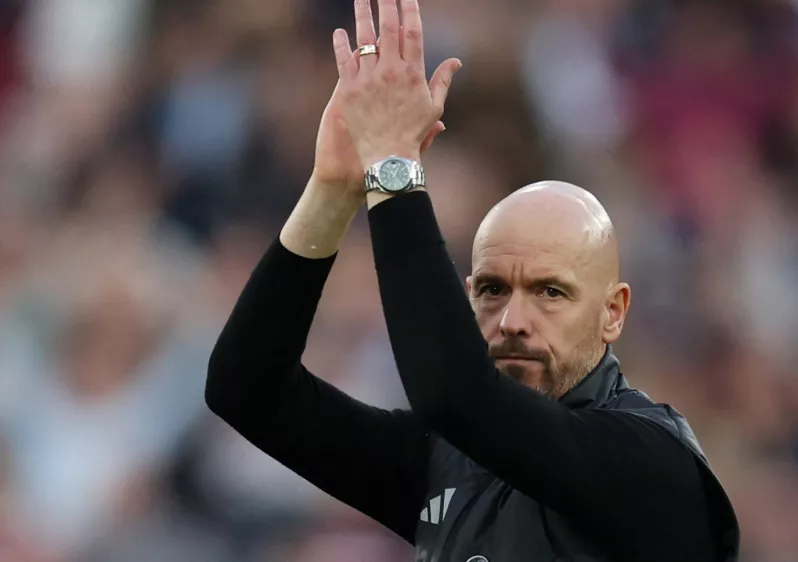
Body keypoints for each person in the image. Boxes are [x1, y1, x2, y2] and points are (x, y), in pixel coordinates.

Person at [205, 0, 740, 559]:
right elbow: (247, 389)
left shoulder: (649, 460)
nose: (512, 321)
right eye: (491, 290)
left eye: (549, 292)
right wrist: (334, 187)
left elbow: (453, 394)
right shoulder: (450, 460)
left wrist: (392, 165)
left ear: (614, 311)